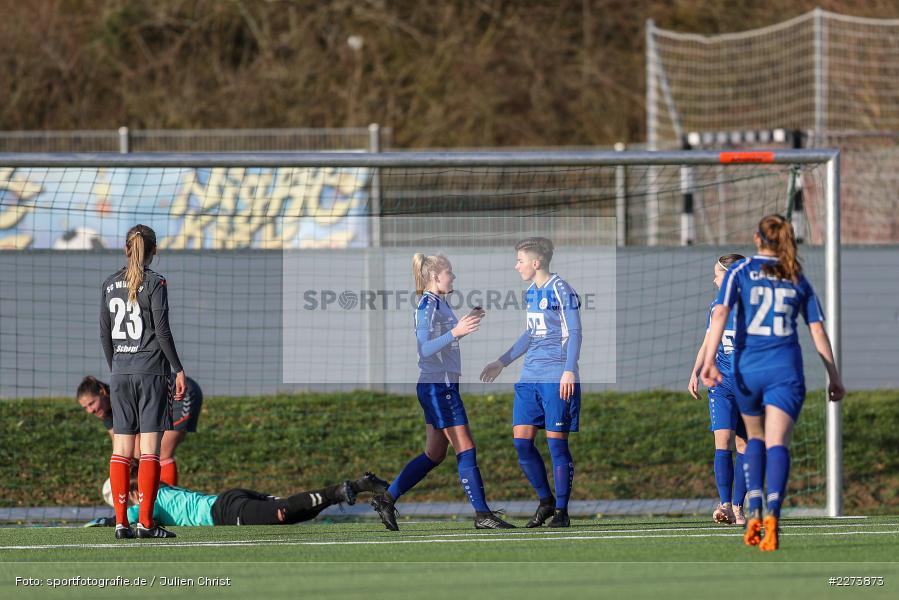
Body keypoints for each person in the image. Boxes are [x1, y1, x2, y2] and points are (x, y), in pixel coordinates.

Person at [701, 215, 844, 551]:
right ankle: (772, 516)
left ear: (756, 239)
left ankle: (751, 510)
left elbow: (720, 315)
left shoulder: (741, 273)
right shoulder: (795, 275)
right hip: (784, 371)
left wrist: (705, 362)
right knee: (776, 443)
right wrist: (834, 375)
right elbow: (818, 331)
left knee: (751, 443)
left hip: (749, 371)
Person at [369, 253, 515, 531]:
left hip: (440, 386)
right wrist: (457, 332)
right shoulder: (426, 305)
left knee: (434, 454)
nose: (454, 277)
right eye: (450, 272)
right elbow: (424, 348)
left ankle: (387, 499)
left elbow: (443, 339)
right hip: (438, 387)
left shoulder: (438, 303)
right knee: (467, 448)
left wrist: (462, 323)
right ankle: (482, 514)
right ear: (436, 276)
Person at [480, 237, 582, 528]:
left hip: (555, 378)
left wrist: (569, 369)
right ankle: (546, 501)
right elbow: (530, 334)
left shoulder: (561, 288)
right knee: (522, 443)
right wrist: (502, 361)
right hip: (529, 378)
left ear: (536, 262)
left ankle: (562, 511)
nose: (516, 266)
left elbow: (574, 332)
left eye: (520, 261)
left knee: (556, 447)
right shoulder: (532, 292)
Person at [101, 224, 187, 540]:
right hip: (150, 372)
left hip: (120, 373)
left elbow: (104, 333)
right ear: (153, 251)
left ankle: (121, 522)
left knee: (121, 451)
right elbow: (162, 332)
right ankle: (146, 523)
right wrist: (177, 369)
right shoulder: (156, 282)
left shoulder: (109, 284)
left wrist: (118, 368)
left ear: (126, 249)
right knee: (149, 450)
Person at [87, 473, 388, 528]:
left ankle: (341, 490)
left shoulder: (146, 503)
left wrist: (100, 522)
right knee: (296, 515)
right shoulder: (159, 488)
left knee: (283, 513)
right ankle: (355, 487)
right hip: (228, 498)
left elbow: (123, 521)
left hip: (224, 511)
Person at [688, 254, 748, 526]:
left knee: (744, 445)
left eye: (717, 273)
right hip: (721, 384)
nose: (714, 279)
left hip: (749, 386)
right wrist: (695, 371)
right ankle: (723, 504)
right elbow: (707, 342)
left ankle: (738, 507)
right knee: (722, 442)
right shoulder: (716, 307)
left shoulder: (755, 306)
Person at [76, 374, 203, 486]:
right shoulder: (105, 412)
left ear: (102, 392)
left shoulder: (121, 395)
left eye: (92, 403)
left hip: (179, 393)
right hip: (162, 402)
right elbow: (120, 448)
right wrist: (121, 474)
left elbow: (137, 434)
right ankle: (148, 498)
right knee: (139, 455)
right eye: (85, 407)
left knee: (161, 453)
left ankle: (164, 503)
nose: (90, 410)